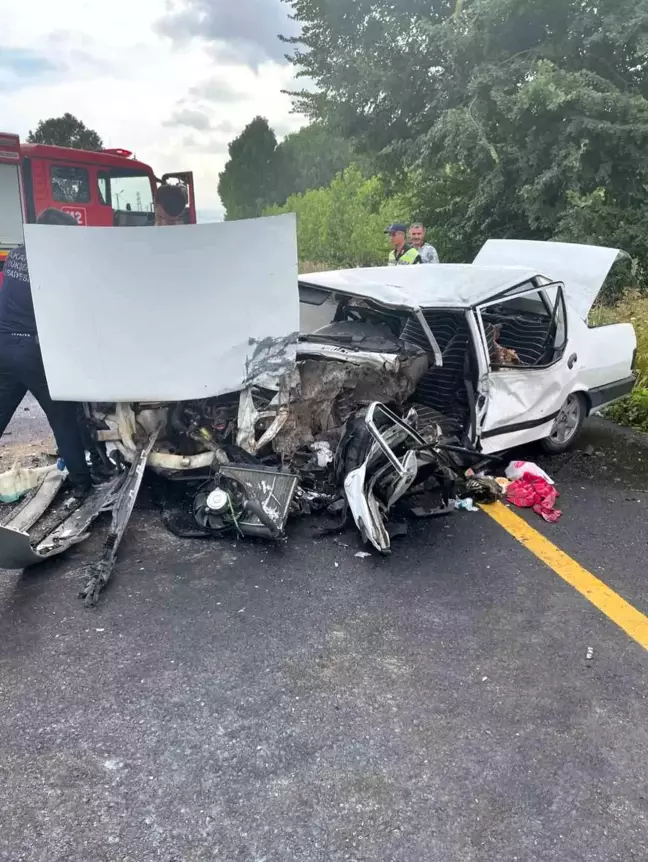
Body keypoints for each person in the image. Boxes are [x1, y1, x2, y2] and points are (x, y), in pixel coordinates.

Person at [0, 209, 92, 497]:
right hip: (31, 350)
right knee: (63, 417)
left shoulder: (16, 255)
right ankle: (82, 485)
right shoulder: (51, 262)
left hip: (3, 345)